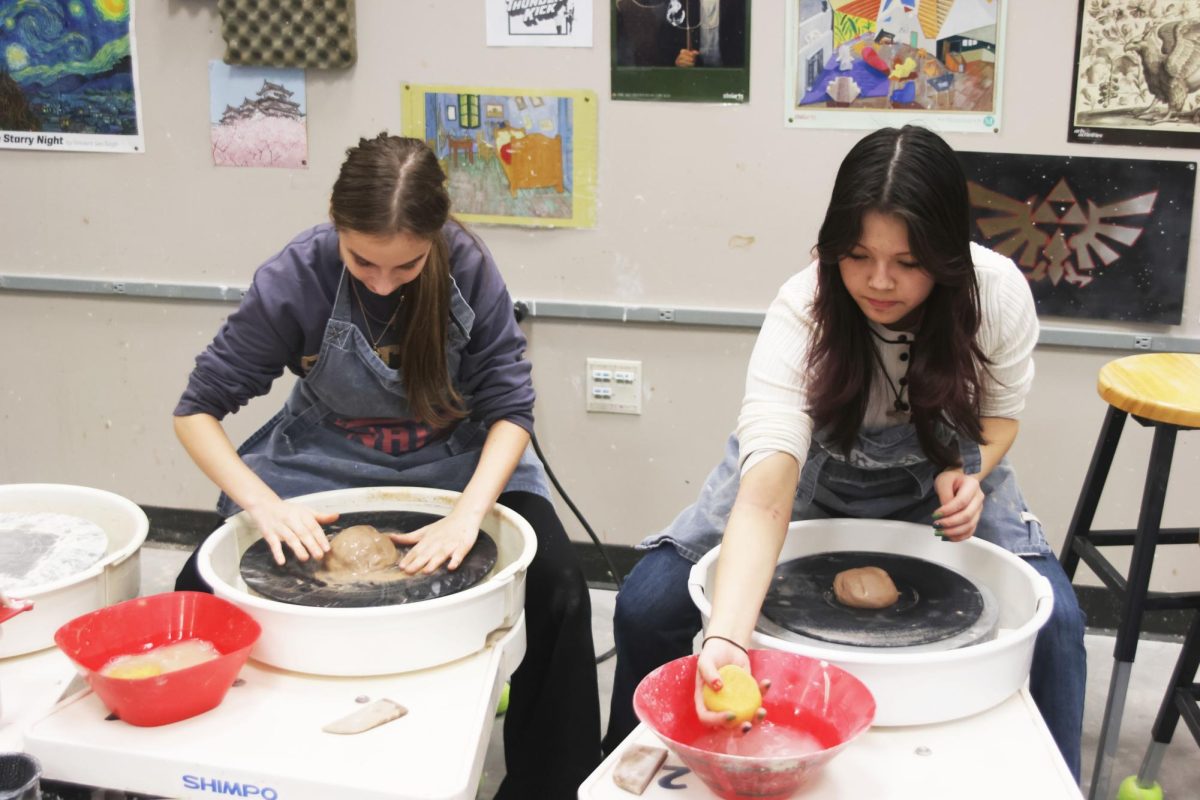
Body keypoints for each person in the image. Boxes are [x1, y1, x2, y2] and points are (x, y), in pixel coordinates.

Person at [603, 125, 1088, 781]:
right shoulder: (803, 310)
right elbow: (767, 494)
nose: (880, 282)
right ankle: (627, 773)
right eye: (858, 256)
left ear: (945, 256)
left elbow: (999, 420)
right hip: (806, 477)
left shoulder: (994, 294)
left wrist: (969, 474)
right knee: (648, 602)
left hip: (940, 469)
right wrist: (725, 640)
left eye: (909, 263)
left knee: (1056, 628)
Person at [172, 134, 601, 799]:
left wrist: (468, 515)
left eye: (405, 267)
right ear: (337, 227)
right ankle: (221, 773)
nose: (381, 281)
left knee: (559, 587)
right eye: (363, 261)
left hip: (460, 460)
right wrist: (263, 504)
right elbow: (195, 412)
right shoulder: (298, 275)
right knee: (198, 582)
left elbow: (512, 411)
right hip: (322, 460)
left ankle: (550, 788)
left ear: (434, 238)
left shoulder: (468, 269)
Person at [614, 0, 746, 69]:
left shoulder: (741, 4)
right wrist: (677, 61)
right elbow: (664, 48)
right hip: (692, 80)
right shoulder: (678, 4)